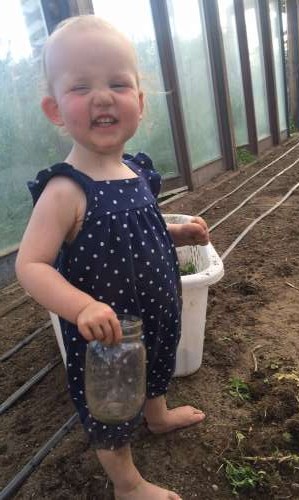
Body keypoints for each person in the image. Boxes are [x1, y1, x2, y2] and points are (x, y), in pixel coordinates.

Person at [15, 15, 209, 500]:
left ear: (139, 104)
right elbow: (31, 264)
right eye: (81, 87)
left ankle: (158, 413)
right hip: (108, 334)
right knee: (112, 403)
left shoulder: (137, 171)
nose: (103, 96)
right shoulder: (64, 190)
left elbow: (140, 225)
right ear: (55, 109)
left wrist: (178, 231)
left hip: (157, 309)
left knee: (160, 362)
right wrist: (81, 307)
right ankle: (128, 484)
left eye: (118, 84)